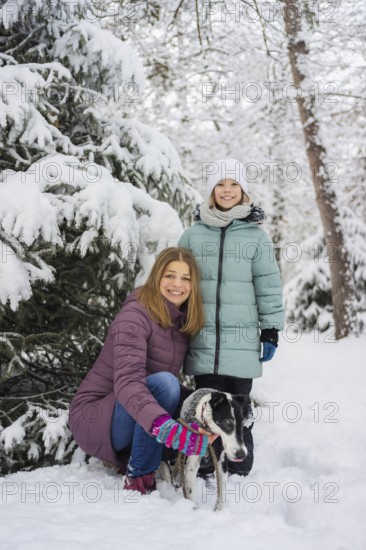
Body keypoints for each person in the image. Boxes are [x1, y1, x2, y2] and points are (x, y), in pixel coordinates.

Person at [68, 247, 217, 495]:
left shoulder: (177, 324)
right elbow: (130, 383)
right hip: (94, 417)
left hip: (128, 411)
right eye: (170, 275)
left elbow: (158, 386)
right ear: (157, 276)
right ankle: (139, 477)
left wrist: (206, 406)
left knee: (173, 392)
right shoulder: (135, 316)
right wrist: (170, 431)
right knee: (166, 387)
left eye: (186, 278)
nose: (177, 284)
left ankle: (140, 457)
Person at [178, 158, 285, 478]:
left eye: (234, 185)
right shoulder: (192, 235)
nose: (227, 191)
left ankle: (239, 456)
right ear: (211, 191)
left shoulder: (255, 237)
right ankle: (206, 459)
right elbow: (178, 282)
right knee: (207, 403)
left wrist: (270, 329)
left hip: (242, 340)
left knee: (239, 404)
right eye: (221, 185)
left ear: (243, 191)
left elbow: (268, 284)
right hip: (203, 337)